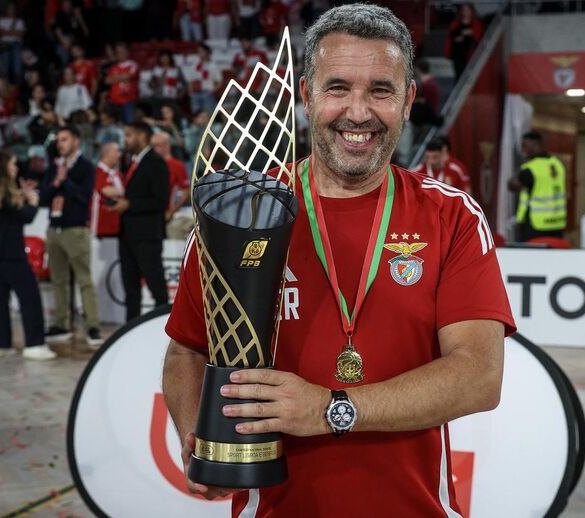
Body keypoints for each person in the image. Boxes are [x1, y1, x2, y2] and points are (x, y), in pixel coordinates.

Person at [163, 4, 513, 515]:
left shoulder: (451, 216)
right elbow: (186, 353)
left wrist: (333, 410)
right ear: (305, 95)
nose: (358, 112)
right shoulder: (239, 212)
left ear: (409, 100)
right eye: (337, 87)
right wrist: (202, 435)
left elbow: (479, 376)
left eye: (380, 90)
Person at [0, 149, 56, 360]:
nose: (15, 168)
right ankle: (35, 345)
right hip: (11, 253)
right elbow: (24, 217)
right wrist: (32, 200)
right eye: (12, 165)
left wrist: (22, 196)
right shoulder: (5, 193)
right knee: (30, 300)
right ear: (3, 168)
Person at [39, 125, 104, 346]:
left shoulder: (86, 167)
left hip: (75, 229)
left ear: (76, 141)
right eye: (59, 140)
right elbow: (43, 198)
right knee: (58, 279)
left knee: (84, 279)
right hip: (54, 229)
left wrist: (65, 180)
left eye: (64, 139)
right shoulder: (54, 166)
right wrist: (56, 181)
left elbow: (84, 196)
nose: (60, 144)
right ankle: (61, 323)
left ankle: (93, 326)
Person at [101, 122, 169, 321]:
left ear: (142, 136)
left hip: (147, 235)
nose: (126, 139)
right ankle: (129, 329)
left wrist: (129, 204)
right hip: (128, 233)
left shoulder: (156, 162)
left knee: (156, 286)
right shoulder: (131, 162)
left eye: (129, 135)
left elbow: (160, 200)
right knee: (130, 288)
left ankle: (163, 329)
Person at [508, 131, 567, 242]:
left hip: (536, 225)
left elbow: (512, 186)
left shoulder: (531, 168)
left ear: (536, 145)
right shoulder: (557, 164)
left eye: (525, 145)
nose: (522, 150)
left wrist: (520, 168)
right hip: (557, 223)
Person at [150, 131, 191, 236]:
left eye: (157, 145)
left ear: (166, 145)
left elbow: (185, 191)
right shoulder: (149, 165)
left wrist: (171, 212)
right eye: (152, 146)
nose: (153, 149)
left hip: (167, 215)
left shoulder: (177, 165)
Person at [91, 142, 124, 238]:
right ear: (107, 154)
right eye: (117, 151)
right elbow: (106, 191)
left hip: (117, 226)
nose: (120, 155)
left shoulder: (118, 174)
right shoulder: (98, 172)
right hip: (102, 228)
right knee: (106, 252)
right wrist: (127, 192)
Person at [445, 3, 483, 78]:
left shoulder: (477, 24)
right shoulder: (455, 23)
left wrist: (470, 33)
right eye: (463, 10)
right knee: (459, 74)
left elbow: (478, 38)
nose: (465, 12)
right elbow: (452, 37)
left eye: (467, 10)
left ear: (471, 11)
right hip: (458, 54)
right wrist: (462, 34)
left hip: (471, 53)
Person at [105, 44, 139, 124]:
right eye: (118, 52)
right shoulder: (114, 67)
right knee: (115, 124)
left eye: (122, 51)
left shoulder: (132, 64)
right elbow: (107, 81)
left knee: (130, 123)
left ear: (127, 52)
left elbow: (128, 76)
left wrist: (115, 77)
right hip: (114, 101)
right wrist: (122, 77)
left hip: (128, 100)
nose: (120, 53)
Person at [186, 44, 221, 116]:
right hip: (195, 93)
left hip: (207, 93)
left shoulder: (213, 66)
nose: (200, 53)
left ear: (207, 52)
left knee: (208, 115)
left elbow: (219, 81)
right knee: (196, 115)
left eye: (202, 51)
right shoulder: (194, 65)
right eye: (199, 52)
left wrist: (212, 91)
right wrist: (190, 92)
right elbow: (190, 80)